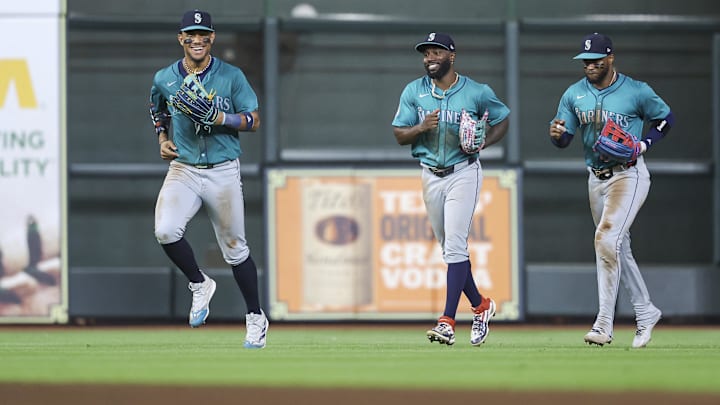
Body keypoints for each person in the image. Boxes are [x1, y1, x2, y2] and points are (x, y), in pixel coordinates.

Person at [148, 9, 268, 349]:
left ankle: (256, 317)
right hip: (184, 167)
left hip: (223, 169)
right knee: (165, 230)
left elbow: (254, 120)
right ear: (181, 38)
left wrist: (222, 117)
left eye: (203, 34)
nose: (197, 39)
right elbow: (156, 106)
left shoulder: (230, 76)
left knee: (235, 249)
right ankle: (200, 283)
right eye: (191, 34)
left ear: (212, 38)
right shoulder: (165, 78)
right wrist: (161, 137)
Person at [549, 33, 673, 348]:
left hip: (628, 175)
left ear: (610, 58)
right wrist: (558, 134)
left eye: (595, 60)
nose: (589, 65)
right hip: (596, 178)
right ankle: (646, 312)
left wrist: (643, 144)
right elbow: (564, 139)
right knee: (617, 248)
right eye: (585, 61)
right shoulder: (574, 94)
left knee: (605, 239)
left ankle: (604, 324)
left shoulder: (635, 90)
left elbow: (665, 119)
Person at [392, 32, 510, 346]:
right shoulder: (414, 91)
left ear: (451, 57)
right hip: (430, 174)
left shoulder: (476, 91)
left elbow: (503, 118)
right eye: (426, 53)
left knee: (456, 246)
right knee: (450, 250)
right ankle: (482, 306)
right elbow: (399, 134)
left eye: (436, 53)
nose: (430, 58)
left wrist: (485, 142)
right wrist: (420, 128)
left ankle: (446, 321)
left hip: (463, 171)